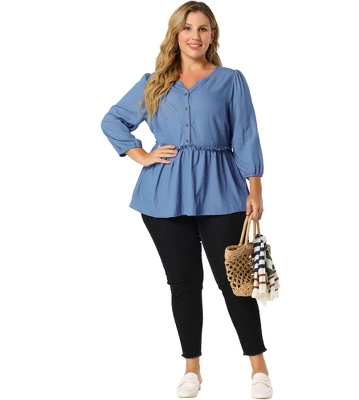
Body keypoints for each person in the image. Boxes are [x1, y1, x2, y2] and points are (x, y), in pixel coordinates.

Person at [100, 1, 273, 398]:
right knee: (183, 283)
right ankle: (192, 368)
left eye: (203, 28)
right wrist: (140, 154)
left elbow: (246, 134)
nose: (195, 36)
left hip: (222, 193)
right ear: (176, 34)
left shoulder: (230, 80)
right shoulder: (154, 82)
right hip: (163, 197)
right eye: (188, 28)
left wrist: (256, 188)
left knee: (235, 282)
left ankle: (258, 366)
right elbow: (113, 120)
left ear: (212, 35)